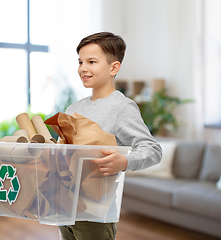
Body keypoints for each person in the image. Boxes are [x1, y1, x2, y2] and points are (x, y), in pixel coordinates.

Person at [58, 32, 162, 240]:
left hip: (96, 210)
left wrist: (124, 161)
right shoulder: (73, 108)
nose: (83, 68)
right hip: (65, 203)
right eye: (80, 62)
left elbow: (152, 150)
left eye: (92, 61)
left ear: (114, 68)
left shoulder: (122, 107)